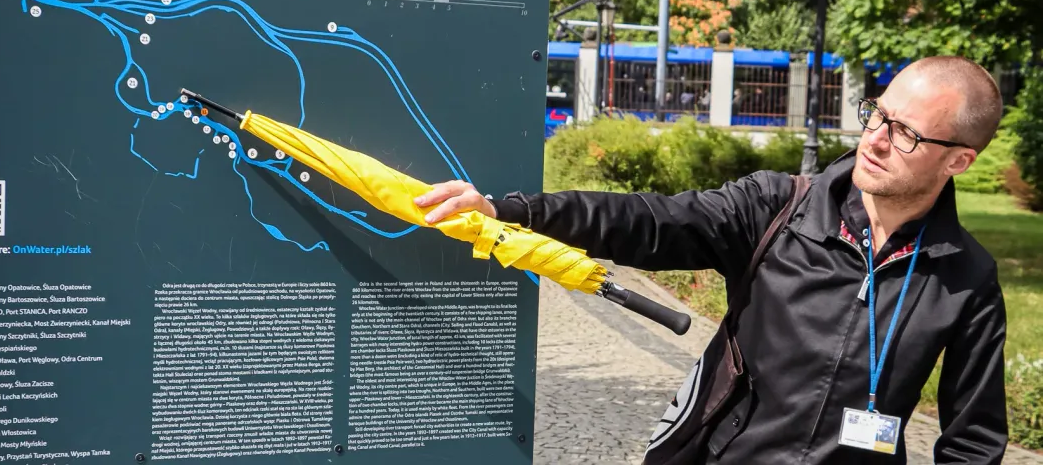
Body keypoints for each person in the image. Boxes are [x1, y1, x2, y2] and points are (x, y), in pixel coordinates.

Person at [414, 56, 1008, 464]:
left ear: (958, 161)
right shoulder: (779, 210)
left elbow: (973, 439)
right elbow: (648, 221)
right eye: (876, 113)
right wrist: (510, 210)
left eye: (905, 133)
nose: (874, 139)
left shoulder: (967, 277)